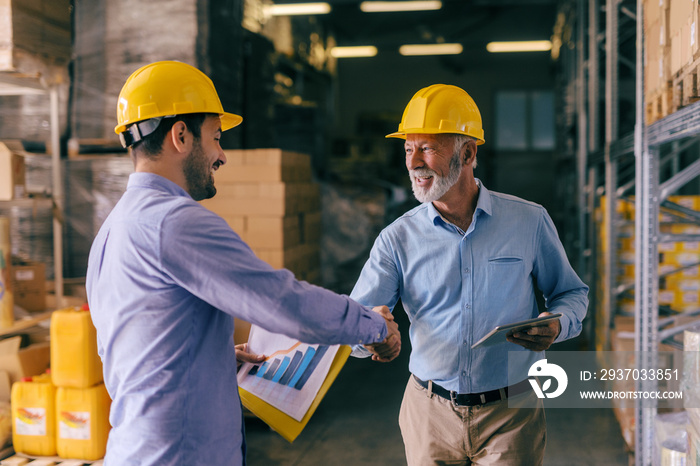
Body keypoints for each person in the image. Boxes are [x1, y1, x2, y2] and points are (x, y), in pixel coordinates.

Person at [85, 60, 400, 466]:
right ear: (180, 135)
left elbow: (129, 347)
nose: (222, 155)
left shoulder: (112, 230)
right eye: (216, 137)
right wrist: (371, 325)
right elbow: (281, 302)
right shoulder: (178, 223)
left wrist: (210, 355)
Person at [351, 84, 588, 465]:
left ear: (468, 152)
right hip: (429, 414)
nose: (414, 163)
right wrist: (372, 337)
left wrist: (559, 324)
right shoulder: (397, 238)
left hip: (513, 410)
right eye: (409, 149)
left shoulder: (528, 221)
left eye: (427, 148)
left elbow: (571, 293)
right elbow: (355, 319)